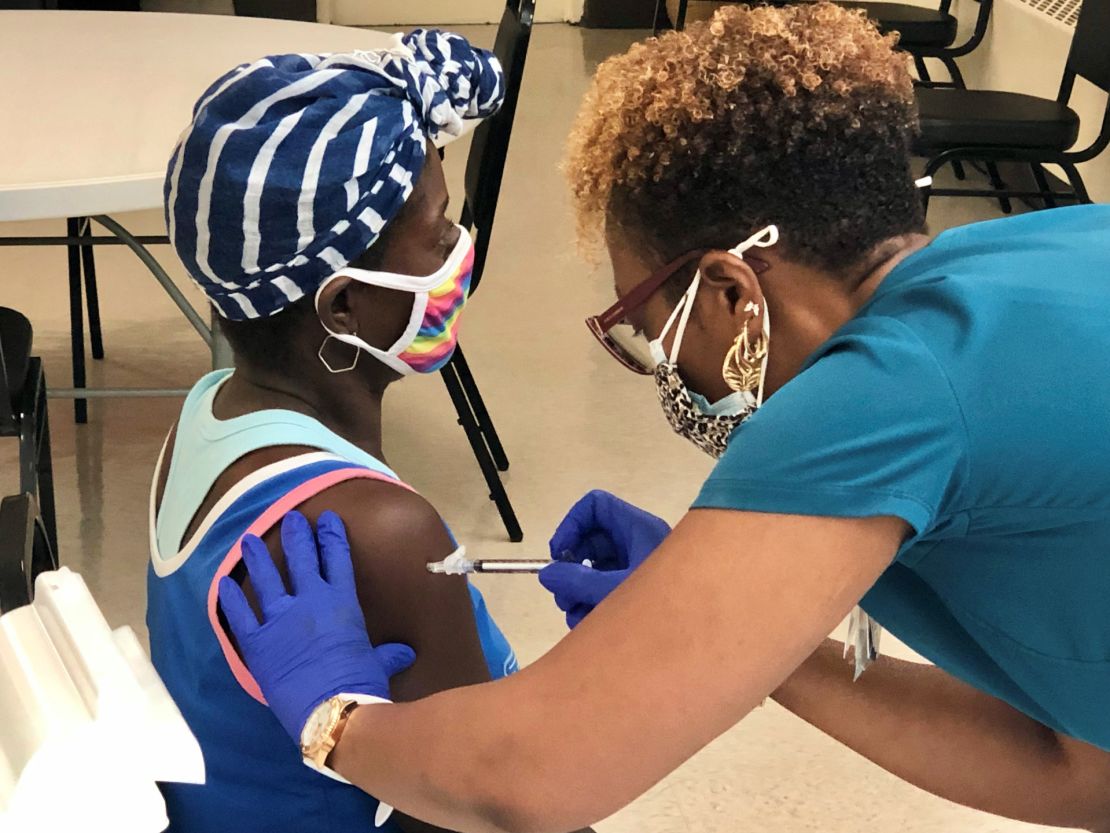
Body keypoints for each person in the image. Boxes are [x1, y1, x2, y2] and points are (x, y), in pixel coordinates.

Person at [218, 5, 1110, 833]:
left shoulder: (883, 397)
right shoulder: (1038, 248)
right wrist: (752, 647)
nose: (661, 367)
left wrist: (337, 717)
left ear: (730, 289)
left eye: (645, 328)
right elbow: (1085, 770)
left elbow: (529, 773)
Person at [146, 32, 524, 833]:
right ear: (344, 306)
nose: (458, 251)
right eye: (438, 228)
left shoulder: (207, 410)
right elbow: (489, 811)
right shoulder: (381, 531)